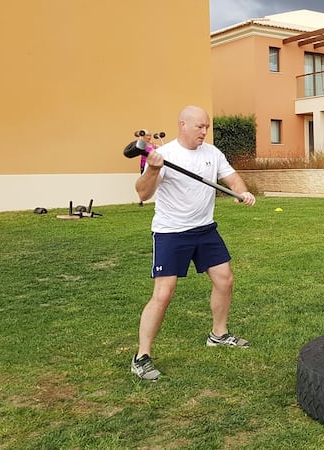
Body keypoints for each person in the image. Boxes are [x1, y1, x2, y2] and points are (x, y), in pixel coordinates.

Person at [131, 105, 257, 381]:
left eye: (207, 127)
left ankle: (219, 335)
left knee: (225, 279)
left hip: (204, 230)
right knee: (164, 293)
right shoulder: (166, 156)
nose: (204, 132)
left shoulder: (213, 154)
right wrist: (152, 170)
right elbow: (142, 192)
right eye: (200, 126)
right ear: (182, 125)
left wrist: (241, 191)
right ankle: (142, 356)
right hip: (171, 232)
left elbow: (232, 177)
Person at [137, 130, 157, 206]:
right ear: (144, 136)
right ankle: (140, 200)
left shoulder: (153, 145)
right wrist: (140, 136)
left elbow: (161, 148)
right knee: (143, 181)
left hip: (151, 165)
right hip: (143, 165)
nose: (149, 137)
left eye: (150, 135)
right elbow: (138, 144)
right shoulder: (142, 144)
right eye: (147, 135)